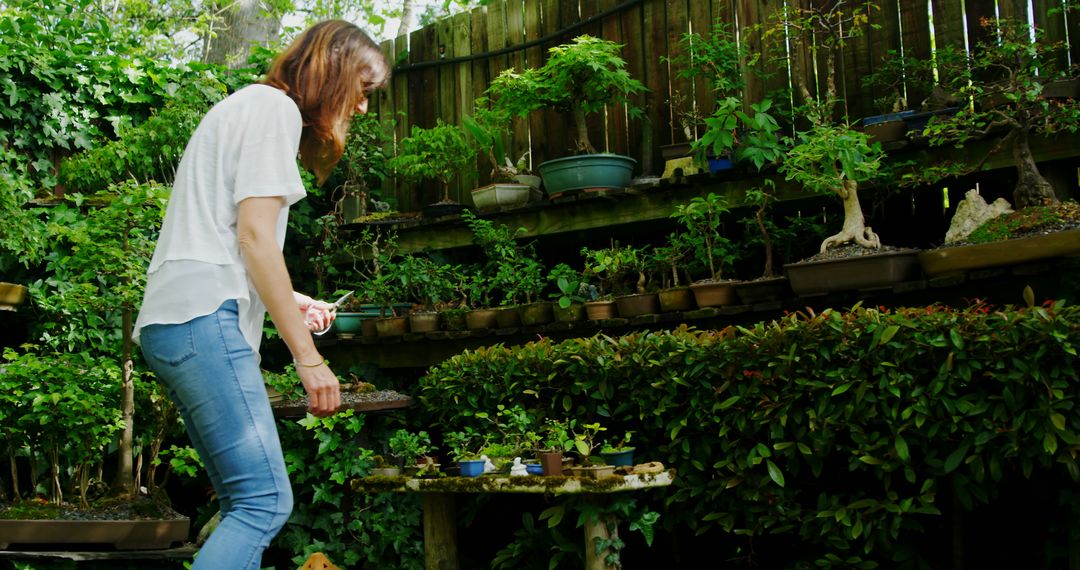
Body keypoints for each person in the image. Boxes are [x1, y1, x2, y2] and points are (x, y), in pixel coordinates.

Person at [134, 20, 390, 570]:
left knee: (242, 502)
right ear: (334, 71)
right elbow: (254, 238)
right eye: (364, 90)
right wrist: (308, 357)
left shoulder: (243, 107)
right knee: (263, 502)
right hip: (204, 320)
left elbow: (226, 239)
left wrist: (290, 300)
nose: (364, 108)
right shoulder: (275, 111)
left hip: (176, 319)